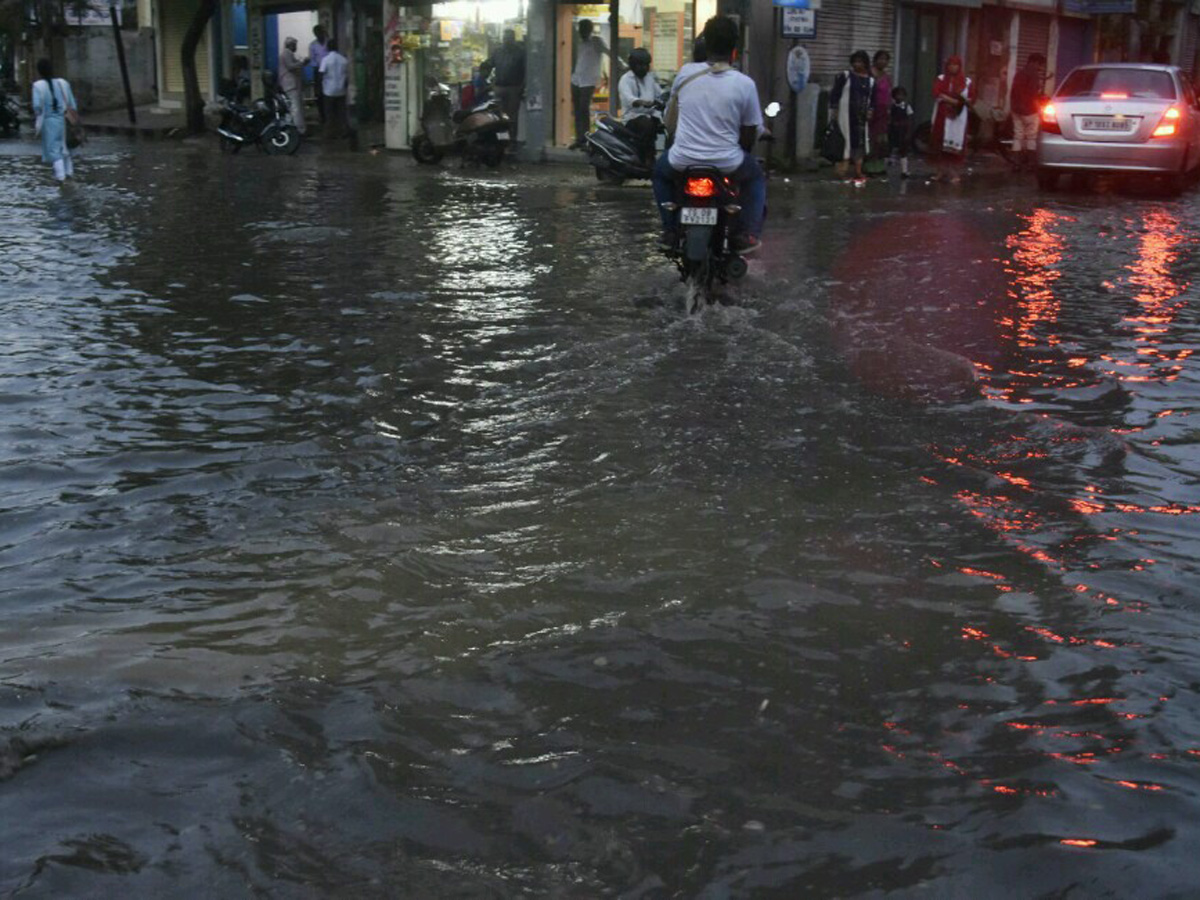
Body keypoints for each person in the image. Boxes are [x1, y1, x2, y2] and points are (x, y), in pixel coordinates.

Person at [652, 15, 764, 254]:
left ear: (706, 43)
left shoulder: (685, 74)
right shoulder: (745, 84)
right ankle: (745, 234)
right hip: (727, 163)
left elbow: (671, 119)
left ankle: (670, 229)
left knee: (659, 173)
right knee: (755, 177)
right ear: (735, 49)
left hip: (682, 161)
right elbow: (748, 135)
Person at [830, 51, 875, 186]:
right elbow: (835, 94)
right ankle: (841, 170)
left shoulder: (871, 81)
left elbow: (873, 99)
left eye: (860, 62)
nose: (857, 64)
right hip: (845, 114)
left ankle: (858, 171)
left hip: (861, 117)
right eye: (855, 62)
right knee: (845, 141)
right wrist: (834, 111)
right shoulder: (845, 76)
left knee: (860, 142)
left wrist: (870, 110)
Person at [31, 58, 76, 183]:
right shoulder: (63, 83)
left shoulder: (38, 86)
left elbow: (37, 107)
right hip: (65, 120)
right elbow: (72, 104)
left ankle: (60, 178)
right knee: (66, 148)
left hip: (49, 122)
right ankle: (69, 174)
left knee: (54, 150)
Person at [930, 55, 974, 183]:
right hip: (942, 116)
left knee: (955, 144)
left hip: (958, 118)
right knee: (940, 143)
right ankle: (940, 171)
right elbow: (937, 93)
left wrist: (956, 101)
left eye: (956, 65)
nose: (953, 67)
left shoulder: (967, 82)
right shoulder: (941, 79)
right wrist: (954, 101)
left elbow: (971, 98)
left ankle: (954, 173)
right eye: (950, 64)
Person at [618, 47, 662, 164]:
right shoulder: (626, 80)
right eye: (641, 65)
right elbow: (629, 99)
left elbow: (659, 93)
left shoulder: (649, 77)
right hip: (632, 117)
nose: (644, 68)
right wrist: (643, 102)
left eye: (646, 65)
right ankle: (642, 158)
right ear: (633, 65)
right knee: (646, 125)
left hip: (650, 114)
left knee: (664, 124)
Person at [570, 19, 608, 149]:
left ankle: (586, 140)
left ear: (589, 29)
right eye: (580, 29)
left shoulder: (597, 41)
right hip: (576, 80)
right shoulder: (580, 43)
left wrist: (623, 65)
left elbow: (609, 52)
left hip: (588, 81)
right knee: (577, 111)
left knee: (583, 110)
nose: (580, 32)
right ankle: (579, 139)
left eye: (583, 29)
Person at [1009, 53, 1046, 172]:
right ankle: (1030, 164)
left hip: (1016, 110)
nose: (1041, 68)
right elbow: (1034, 93)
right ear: (1035, 63)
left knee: (1018, 136)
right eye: (1040, 65)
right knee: (1031, 137)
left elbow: (1014, 92)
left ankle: (1016, 164)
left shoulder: (1019, 73)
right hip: (1030, 110)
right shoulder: (1034, 75)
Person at [488, 29, 526, 139]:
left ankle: (512, 141)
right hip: (499, 87)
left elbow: (526, 71)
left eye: (509, 38)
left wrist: (521, 87)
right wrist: (491, 83)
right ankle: (502, 140)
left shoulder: (520, 52)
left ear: (513, 39)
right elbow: (490, 65)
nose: (506, 40)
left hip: (514, 88)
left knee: (512, 118)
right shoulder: (498, 51)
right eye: (505, 38)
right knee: (499, 117)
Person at [319, 38, 349, 139]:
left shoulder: (325, 59)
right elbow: (347, 76)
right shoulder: (344, 60)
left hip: (328, 91)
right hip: (341, 91)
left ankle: (330, 133)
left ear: (327, 48)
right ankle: (343, 132)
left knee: (329, 114)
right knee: (341, 113)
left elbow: (321, 73)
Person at [279, 37, 308, 135]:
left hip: (292, 84)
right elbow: (291, 66)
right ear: (290, 45)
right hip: (291, 85)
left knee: (293, 107)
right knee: (296, 108)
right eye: (295, 45)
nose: (296, 47)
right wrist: (302, 63)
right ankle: (299, 130)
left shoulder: (289, 54)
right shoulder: (286, 53)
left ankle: (291, 129)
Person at [869, 50, 893, 166]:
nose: (883, 62)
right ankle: (867, 163)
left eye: (886, 59)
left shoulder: (887, 77)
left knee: (880, 138)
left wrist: (889, 109)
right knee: (870, 136)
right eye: (881, 59)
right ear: (875, 60)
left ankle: (878, 164)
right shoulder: (870, 74)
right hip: (871, 109)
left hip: (883, 111)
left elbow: (889, 93)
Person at [889, 86, 914, 179]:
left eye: (901, 95)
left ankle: (904, 171)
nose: (899, 97)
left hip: (903, 131)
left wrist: (908, 132)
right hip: (894, 130)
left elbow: (910, 119)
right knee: (892, 147)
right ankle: (892, 162)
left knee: (903, 151)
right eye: (897, 95)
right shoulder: (892, 107)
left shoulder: (907, 106)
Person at [309, 25, 329, 125]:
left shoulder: (329, 42)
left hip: (329, 71)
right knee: (319, 95)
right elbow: (312, 60)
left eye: (320, 32)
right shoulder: (313, 45)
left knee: (329, 94)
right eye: (316, 33)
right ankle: (322, 116)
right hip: (318, 72)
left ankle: (330, 116)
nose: (318, 35)